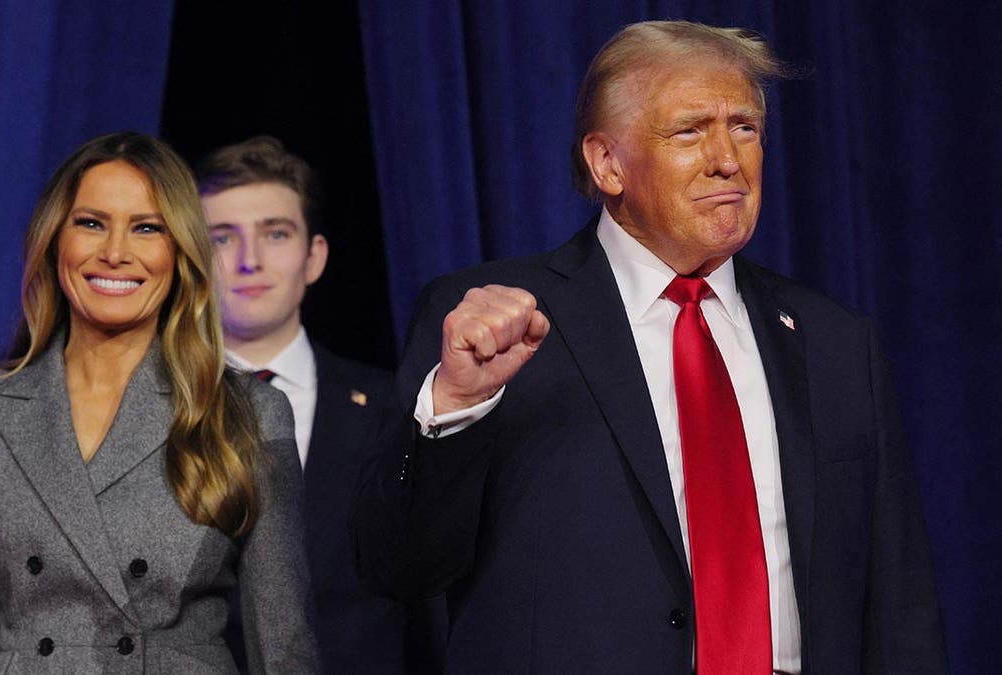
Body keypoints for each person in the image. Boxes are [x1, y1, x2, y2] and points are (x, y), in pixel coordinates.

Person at [354, 20, 946, 674]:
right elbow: (398, 565)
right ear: (607, 162)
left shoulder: (836, 341)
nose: (728, 157)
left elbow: (900, 602)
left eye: (744, 127)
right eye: (691, 130)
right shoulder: (491, 322)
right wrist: (458, 403)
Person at [0, 132, 318, 673]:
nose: (115, 253)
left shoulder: (245, 414)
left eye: (147, 228)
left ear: (180, 251)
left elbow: (284, 647)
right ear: (54, 240)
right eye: (91, 223)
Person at [196, 136, 444, 674]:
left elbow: (429, 602)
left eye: (275, 234)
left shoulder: (395, 408)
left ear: (314, 257)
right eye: (222, 237)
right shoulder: (154, 411)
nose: (250, 261)